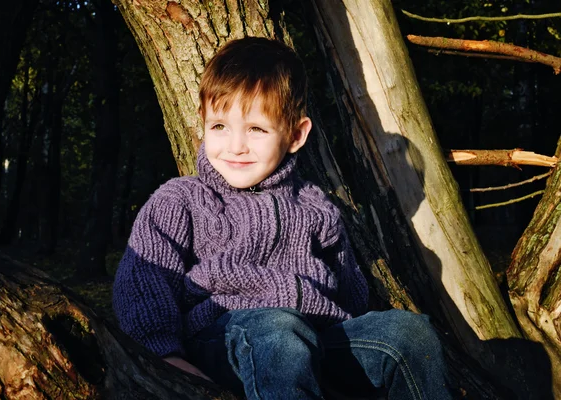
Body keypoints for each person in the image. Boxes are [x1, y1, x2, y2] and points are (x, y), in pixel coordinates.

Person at [113, 36, 452, 400]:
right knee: (279, 331)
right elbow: (143, 280)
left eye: (256, 129)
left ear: (295, 135)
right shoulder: (180, 199)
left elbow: (350, 288)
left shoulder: (316, 206)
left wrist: (356, 326)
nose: (236, 145)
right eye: (219, 126)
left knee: (410, 333)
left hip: (318, 336)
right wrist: (164, 352)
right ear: (203, 123)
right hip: (228, 337)